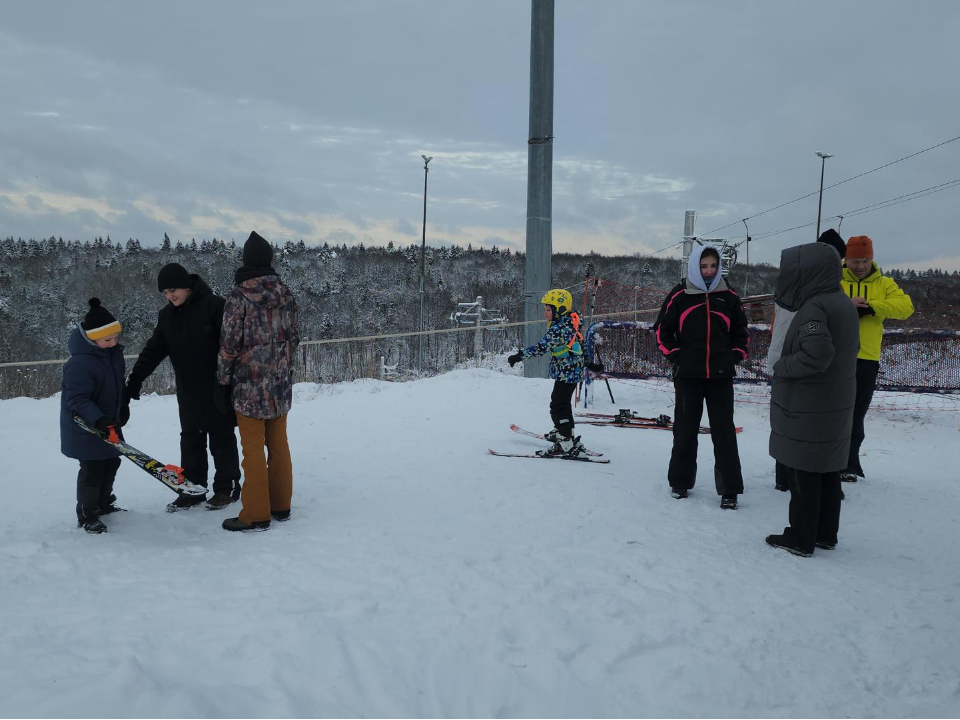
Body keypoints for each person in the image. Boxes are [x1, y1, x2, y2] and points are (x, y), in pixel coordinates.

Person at [766, 242, 859, 556]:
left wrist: (782, 365)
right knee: (827, 471)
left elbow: (817, 355)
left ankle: (801, 537)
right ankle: (824, 534)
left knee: (803, 472)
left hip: (810, 406)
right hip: (832, 402)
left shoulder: (814, 308)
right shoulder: (840, 301)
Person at [126, 263, 241, 512]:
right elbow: (153, 349)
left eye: (172, 290)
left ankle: (226, 488)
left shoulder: (214, 306)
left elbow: (233, 347)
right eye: (165, 293)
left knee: (221, 438)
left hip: (218, 386)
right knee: (190, 439)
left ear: (187, 286)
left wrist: (231, 381)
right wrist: (136, 378)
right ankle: (192, 489)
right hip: (188, 390)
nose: (169, 296)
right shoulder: (166, 316)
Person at [217, 232, 300, 532]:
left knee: (252, 450)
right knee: (279, 446)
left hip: (248, 387)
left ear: (245, 261)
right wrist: (283, 367)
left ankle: (255, 513)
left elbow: (229, 344)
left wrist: (223, 381)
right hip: (279, 385)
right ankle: (281, 505)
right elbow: (295, 336)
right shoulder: (286, 293)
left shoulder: (238, 297)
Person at [654, 245, 748, 509]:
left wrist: (734, 356)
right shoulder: (680, 295)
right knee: (685, 430)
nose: (708, 271)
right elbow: (662, 331)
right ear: (695, 266)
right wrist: (677, 356)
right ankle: (680, 482)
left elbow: (742, 332)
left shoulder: (728, 296)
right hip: (688, 376)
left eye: (713, 266)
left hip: (720, 376)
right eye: (704, 266)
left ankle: (730, 489)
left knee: (724, 432)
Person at [768, 229, 847, 492]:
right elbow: (817, 349)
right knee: (794, 424)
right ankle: (790, 479)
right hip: (795, 367)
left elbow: (817, 350)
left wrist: (782, 363)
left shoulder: (809, 297)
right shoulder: (814, 298)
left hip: (796, 368)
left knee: (794, 425)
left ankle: (798, 483)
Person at [841, 235, 914, 482]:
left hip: (867, 357)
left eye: (864, 260)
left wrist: (873, 307)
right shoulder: (835, 280)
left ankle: (850, 463)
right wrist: (846, 305)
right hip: (837, 356)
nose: (859, 266)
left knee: (857, 413)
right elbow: (819, 303)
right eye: (854, 261)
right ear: (846, 259)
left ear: (872, 259)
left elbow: (905, 307)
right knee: (836, 412)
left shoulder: (885, 282)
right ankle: (832, 461)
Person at [60, 298, 129, 534]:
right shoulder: (79, 363)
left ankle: (103, 504)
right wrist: (98, 419)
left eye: (115, 338)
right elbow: (77, 399)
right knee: (93, 469)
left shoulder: (112, 355)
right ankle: (87, 514)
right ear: (91, 338)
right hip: (86, 427)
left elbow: (116, 386)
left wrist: (123, 407)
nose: (113, 343)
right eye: (107, 339)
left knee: (112, 462)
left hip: (109, 424)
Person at [507, 289, 586, 457]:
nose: (545, 313)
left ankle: (565, 442)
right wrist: (589, 363)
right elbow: (580, 343)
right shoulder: (571, 322)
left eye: (548, 309)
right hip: (572, 371)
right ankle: (564, 433)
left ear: (560, 310)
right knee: (562, 404)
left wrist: (519, 356)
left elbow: (541, 347)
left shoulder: (558, 329)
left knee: (558, 406)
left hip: (567, 372)